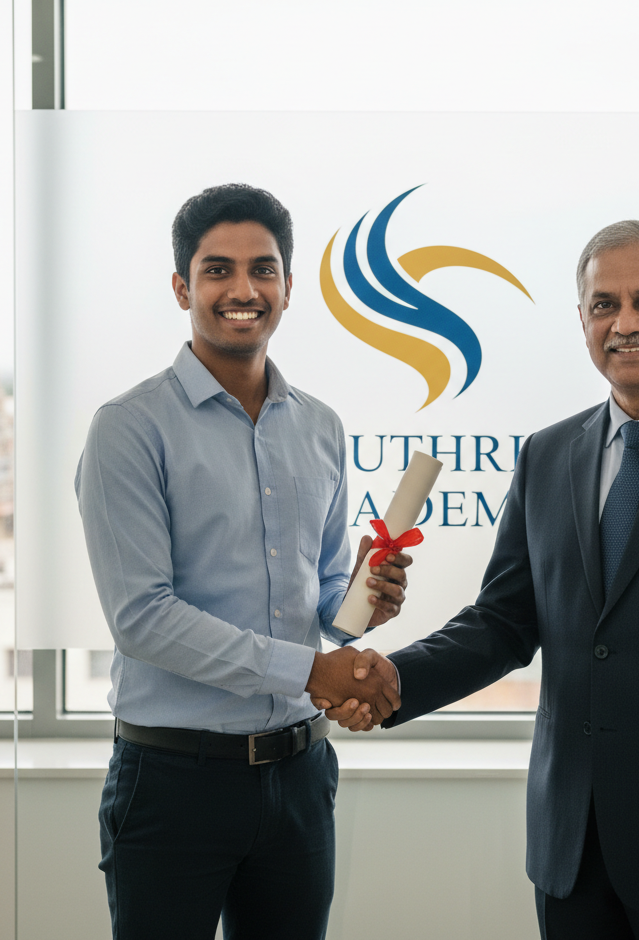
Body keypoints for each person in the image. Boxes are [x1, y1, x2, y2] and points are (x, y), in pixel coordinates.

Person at [330, 220, 639, 940]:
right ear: (582, 321)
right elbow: (503, 623)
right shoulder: (547, 456)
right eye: (605, 305)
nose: (626, 324)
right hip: (570, 852)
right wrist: (390, 681)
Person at [76, 183, 406, 940]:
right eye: (218, 269)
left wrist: (360, 598)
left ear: (287, 288)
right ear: (182, 286)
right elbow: (142, 619)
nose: (242, 289)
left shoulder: (320, 426)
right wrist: (310, 671)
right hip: (171, 783)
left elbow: (321, 593)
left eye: (263, 269)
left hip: (299, 775)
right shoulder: (129, 429)